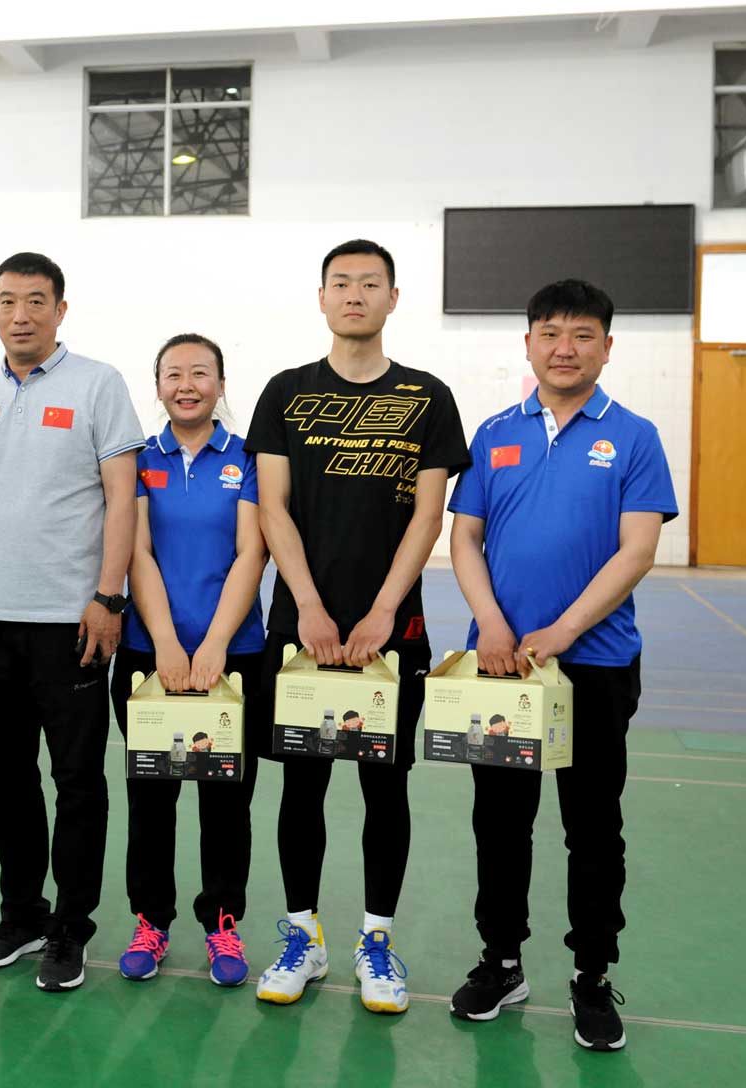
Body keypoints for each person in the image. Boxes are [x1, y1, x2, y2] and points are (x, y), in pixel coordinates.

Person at [445, 278, 676, 1053]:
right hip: (500, 667)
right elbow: (465, 537)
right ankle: (501, 961)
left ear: (607, 347)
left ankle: (592, 975)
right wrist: (491, 623)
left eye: (582, 335)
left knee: (593, 828)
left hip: (596, 667)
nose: (564, 348)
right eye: (550, 333)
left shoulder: (634, 436)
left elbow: (637, 550)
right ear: (529, 344)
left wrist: (563, 630)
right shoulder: (494, 434)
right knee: (500, 823)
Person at [246, 238, 470, 1014]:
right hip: (300, 630)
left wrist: (382, 610)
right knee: (301, 786)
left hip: (391, 637)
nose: (354, 295)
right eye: (340, 283)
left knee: (385, 787)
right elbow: (273, 507)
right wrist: (308, 605)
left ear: (392, 298)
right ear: (321, 298)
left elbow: (429, 516)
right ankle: (302, 938)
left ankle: (377, 942)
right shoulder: (285, 393)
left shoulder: (428, 397)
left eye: (369, 283)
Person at [0, 251, 143, 993]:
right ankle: (22, 914)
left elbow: (121, 496)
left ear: (60, 310)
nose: (20, 314)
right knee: (8, 781)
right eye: (7, 300)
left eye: (35, 301)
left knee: (78, 782)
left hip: (71, 621)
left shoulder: (99, 383)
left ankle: (71, 926)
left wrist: (108, 597)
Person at [110, 334, 267, 988]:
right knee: (151, 799)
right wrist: (167, 645)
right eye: (173, 374)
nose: (186, 385)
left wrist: (215, 646)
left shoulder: (248, 458)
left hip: (234, 660)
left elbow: (252, 553)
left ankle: (222, 923)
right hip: (150, 659)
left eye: (200, 373)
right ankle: (151, 920)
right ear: (158, 387)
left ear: (220, 384)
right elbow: (137, 552)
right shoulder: (140, 460)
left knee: (227, 803)